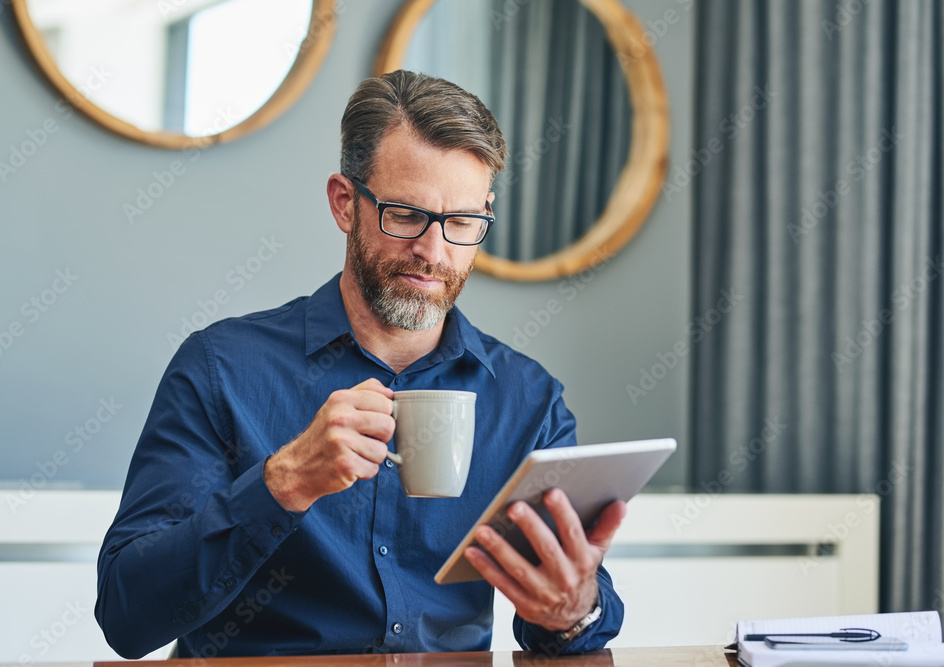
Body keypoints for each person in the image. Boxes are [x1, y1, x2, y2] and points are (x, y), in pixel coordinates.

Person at [95, 70, 627, 659]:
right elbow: (126, 616)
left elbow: (559, 618)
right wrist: (283, 483)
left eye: (462, 223)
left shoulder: (529, 401)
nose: (433, 250)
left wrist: (572, 609)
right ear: (345, 203)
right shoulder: (221, 369)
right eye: (405, 214)